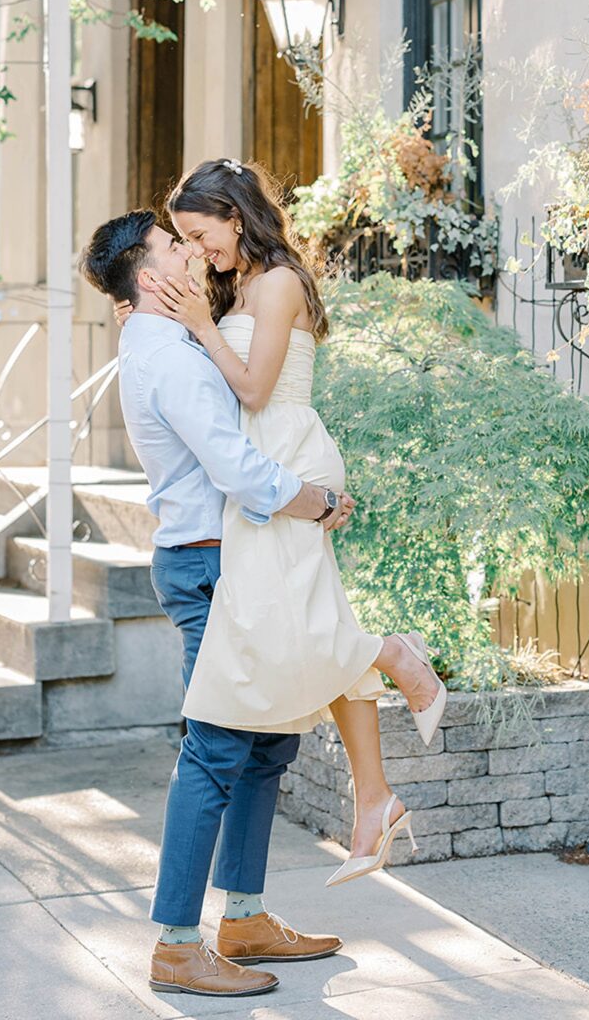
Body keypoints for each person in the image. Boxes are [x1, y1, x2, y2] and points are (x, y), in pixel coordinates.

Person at [115, 158, 447, 890]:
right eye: (181, 242)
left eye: (199, 235)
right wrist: (160, 318)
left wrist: (198, 324)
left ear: (235, 216)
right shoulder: (232, 286)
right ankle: (373, 794)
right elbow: (203, 369)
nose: (195, 252)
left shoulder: (278, 282)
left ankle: (392, 662)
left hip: (282, 456)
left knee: (313, 634)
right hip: (260, 479)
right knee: (312, 632)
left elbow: (255, 386)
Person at [81, 210, 349, 1002]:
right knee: (215, 751)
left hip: (233, 561)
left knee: (266, 745)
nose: (191, 252)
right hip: (207, 565)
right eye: (174, 246)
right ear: (147, 276)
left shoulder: (171, 341)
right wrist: (313, 498)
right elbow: (232, 464)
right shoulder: (167, 359)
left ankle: (244, 916)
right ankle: (173, 943)